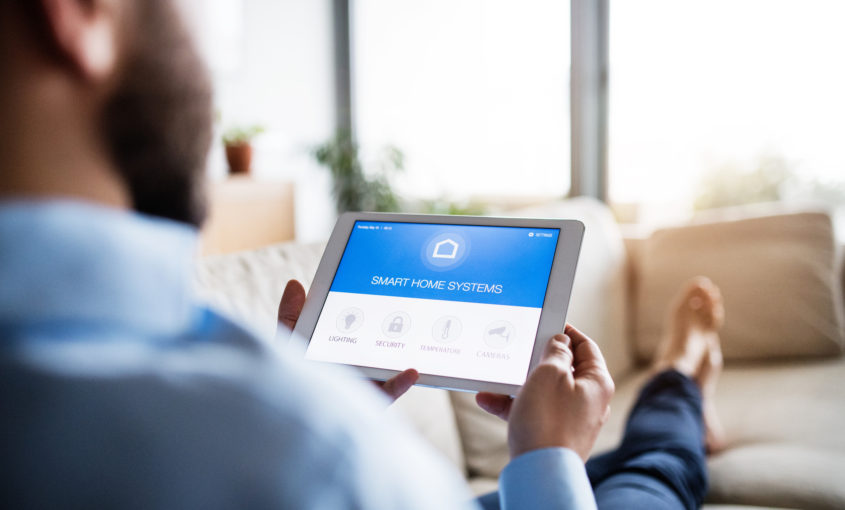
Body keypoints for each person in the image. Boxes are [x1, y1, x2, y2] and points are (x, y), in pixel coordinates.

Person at [0, 0, 722, 508]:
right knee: (652, 472)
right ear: (81, 11)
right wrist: (549, 461)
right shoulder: (306, 453)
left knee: (606, 463)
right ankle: (684, 371)